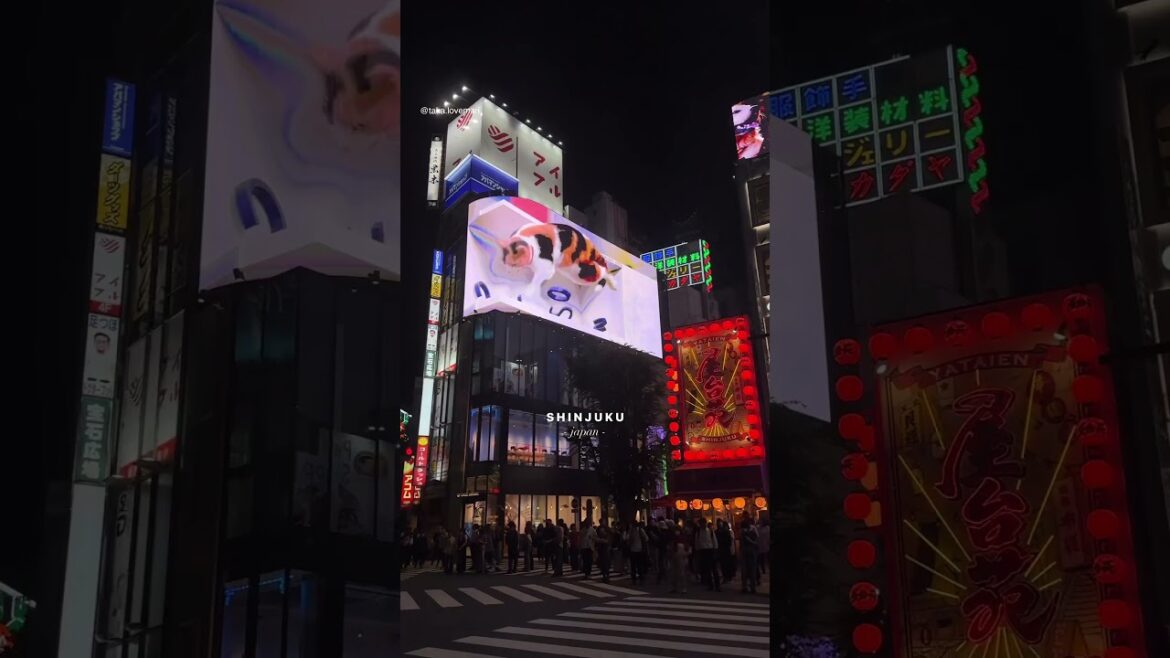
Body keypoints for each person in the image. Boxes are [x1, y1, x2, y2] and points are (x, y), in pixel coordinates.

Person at [695, 520, 720, 591]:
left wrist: (715, 551)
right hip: (703, 551)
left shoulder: (710, 531)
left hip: (710, 550)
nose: (703, 525)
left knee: (714, 569)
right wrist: (698, 552)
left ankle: (717, 585)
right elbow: (697, 543)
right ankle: (710, 585)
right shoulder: (698, 532)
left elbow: (715, 541)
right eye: (701, 524)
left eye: (704, 523)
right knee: (707, 569)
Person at [740, 517, 760, 594]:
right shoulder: (752, 530)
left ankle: (747, 587)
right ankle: (751, 587)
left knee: (747, 570)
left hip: (747, 552)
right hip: (751, 552)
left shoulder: (747, 532)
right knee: (751, 570)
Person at [668, 529, 691, 594]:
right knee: (677, 572)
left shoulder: (679, 541)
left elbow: (687, 549)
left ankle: (680, 587)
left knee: (678, 572)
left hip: (678, 556)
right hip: (677, 556)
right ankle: (679, 587)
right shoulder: (681, 540)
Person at [627, 520, 649, 585]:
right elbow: (647, 538)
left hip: (635, 550)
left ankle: (636, 579)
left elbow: (627, 539)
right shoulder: (639, 530)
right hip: (638, 550)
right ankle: (640, 579)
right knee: (638, 565)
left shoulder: (635, 531)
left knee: (635, 566)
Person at [716, 519, 736, 583]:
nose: (719, 524)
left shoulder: (726, 531)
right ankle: (726, 577)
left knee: (726, 564)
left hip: (725, 549)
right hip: (722, 549)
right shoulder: (717, 531)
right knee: (723, 564)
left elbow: (730, 541)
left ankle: (728, 576)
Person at [757, 515, 770, 581]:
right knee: (762, 559)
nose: (760, 522)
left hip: (766, 544)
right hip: (761, 545)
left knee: (767, 558)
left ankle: (766, 569)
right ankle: (763, 570)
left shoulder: (767, 528)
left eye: (761, 521)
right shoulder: (758, 528)